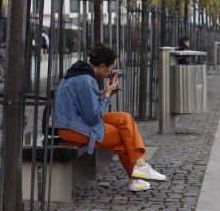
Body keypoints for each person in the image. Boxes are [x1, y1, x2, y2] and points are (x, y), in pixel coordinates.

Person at [52, 44, 166, 192]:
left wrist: (103, 93)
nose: (111, 72)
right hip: (71, 128)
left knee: (125, 118)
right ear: (102, 66)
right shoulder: (86, 80)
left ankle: (139, 167)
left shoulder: (80, 73)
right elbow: (93, 117)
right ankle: (136, 176)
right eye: (110, 68)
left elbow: (83, 105)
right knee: (122, 135)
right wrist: (106, 95)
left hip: (74, 122)